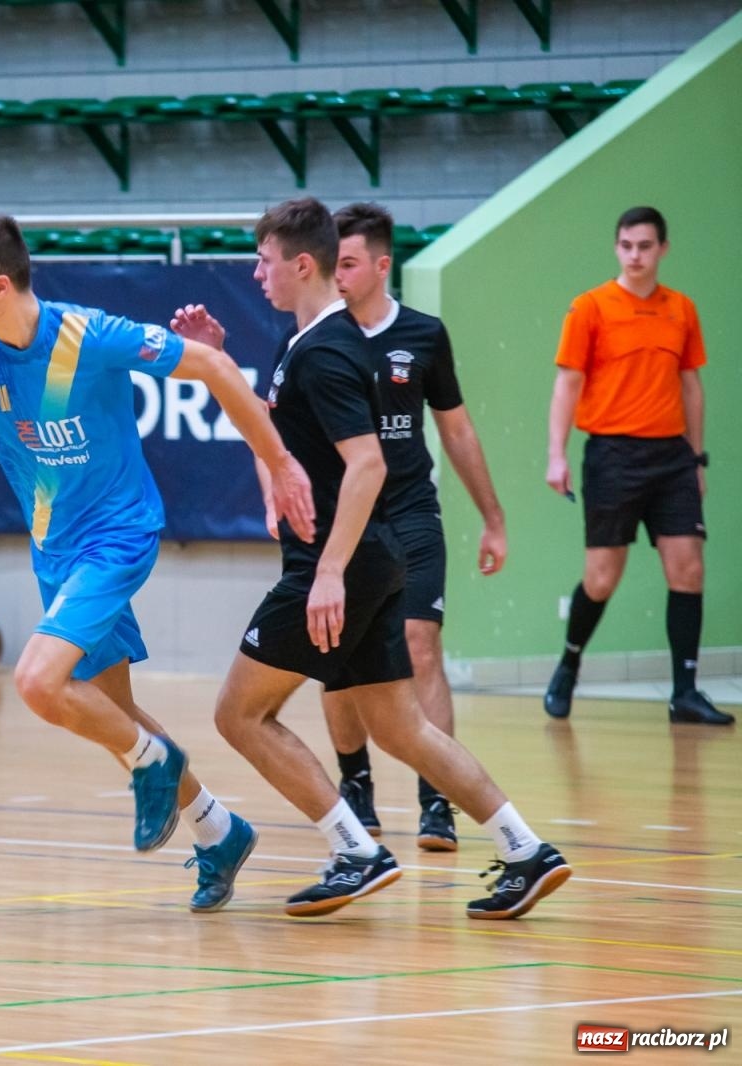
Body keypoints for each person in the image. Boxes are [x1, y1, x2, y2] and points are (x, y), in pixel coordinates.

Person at [0, 212, 316, 912]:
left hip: (118, 536)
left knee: (38, 683)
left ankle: (154, 768)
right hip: (54, 549)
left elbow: (214, 366)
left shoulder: (85, 335)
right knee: (109, 710)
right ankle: (219, 831)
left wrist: (280, 464)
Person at [179, 197, 569, 919]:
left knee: (239, 716)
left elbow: (367, 467)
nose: (255, 272)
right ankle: (525, 849)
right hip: (375, 559)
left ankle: (354, 850)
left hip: (340, 564)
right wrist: (220, 362)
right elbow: (280, 442)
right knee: (401, 728)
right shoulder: (320, 343)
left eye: (264, 260)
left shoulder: (325, 351)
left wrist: (327, 571)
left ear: (302, 264)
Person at [311, 202, 509, 852]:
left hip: (411, 513)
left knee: (421, 643)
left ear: (381, 264)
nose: (336, 275)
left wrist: (492, 516)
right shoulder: (319, 338)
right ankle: (357, 785)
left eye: (347, 262)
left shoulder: (424, 334)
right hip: (346, 522)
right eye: (331, 262)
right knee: (337, 656)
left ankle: (436, 799)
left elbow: (455, 428)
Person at [543, 206, 730, 726]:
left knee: (688, 569)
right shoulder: (591, 308)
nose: (635, 255)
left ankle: (685, 693)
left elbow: (691, 387)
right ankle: (569, 665)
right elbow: (567, 384)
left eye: (645, 246)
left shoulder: (682, 310)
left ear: (663, 249)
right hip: (612, 455)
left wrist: (696, 458)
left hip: (672, 457)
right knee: (602, 579)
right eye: (626, 245)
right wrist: (556, 455)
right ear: (617, 247)